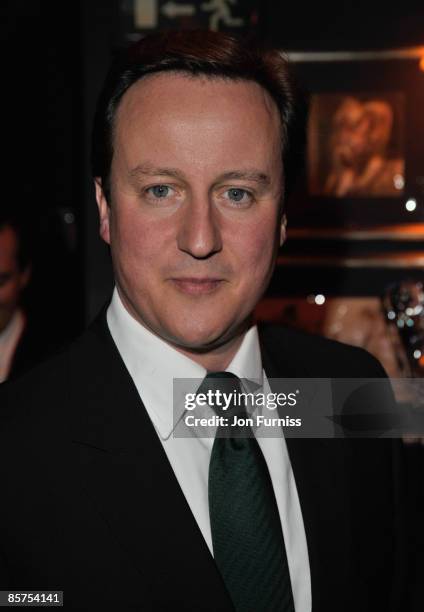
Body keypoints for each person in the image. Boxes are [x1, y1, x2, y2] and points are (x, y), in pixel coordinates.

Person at [0, 31, 405, 611]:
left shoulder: (350, 394)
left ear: (284, 217)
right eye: (161, 190)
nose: (200, 239)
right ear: (105, 209)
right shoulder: (15, 450)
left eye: (237, 193)